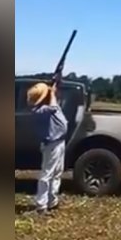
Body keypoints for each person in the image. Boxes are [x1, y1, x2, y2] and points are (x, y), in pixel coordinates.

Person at [27, 82, 68, 215]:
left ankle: (52, 201)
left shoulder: (47, 107)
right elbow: (54, 107)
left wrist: (54, 87)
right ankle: (41, 205)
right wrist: (52, 93)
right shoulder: (40, 110)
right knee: (47, 175)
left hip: (59, 142)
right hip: (52, 144)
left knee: (57, 172)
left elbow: (55, 104)